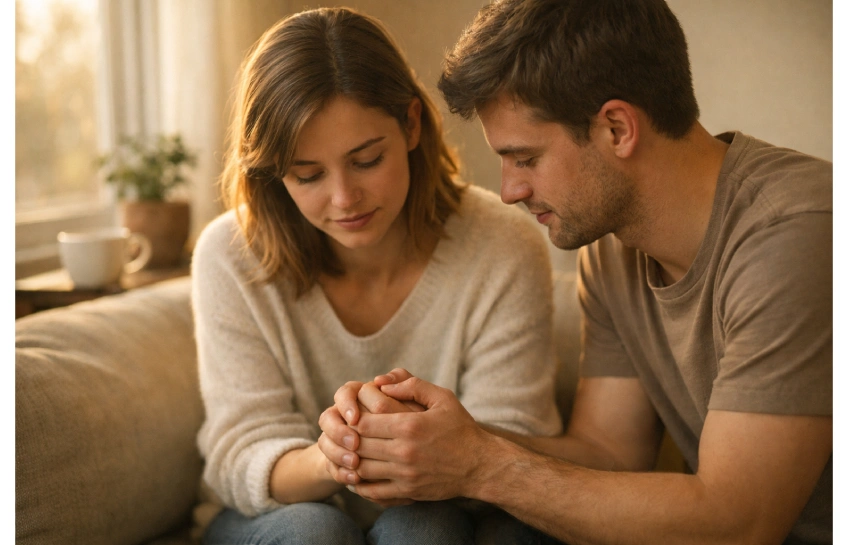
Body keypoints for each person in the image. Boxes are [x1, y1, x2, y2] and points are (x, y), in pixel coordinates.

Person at [318, 0, 833, 544]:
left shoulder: (794, 233)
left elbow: (739, 524)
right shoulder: (614, 250)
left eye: (526, 158)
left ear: (616, 128)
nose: (510, 190)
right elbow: (610, 455)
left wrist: (479, 464)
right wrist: (431, 440)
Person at [190, 5, 564, 545]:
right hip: (283, 512)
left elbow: (515, 445)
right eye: (308, 174)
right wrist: (332, 458)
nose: (344, 199)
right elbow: (240, 455)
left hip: (453, 508)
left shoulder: (503, 244)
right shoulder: (228, 254)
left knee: (425, 529)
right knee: (313, 532)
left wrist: (420, 441)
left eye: (366, 160)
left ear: (411, 124)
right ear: (275, 172)